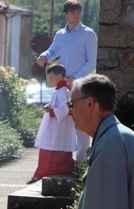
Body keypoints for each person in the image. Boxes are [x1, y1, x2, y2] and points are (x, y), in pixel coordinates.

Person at [69, 74, 134, 209]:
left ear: (90, 103)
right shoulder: (119, 137)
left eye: (71, 104)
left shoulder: (110, 145)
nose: (70, 112)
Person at [36, 0, 98, 165]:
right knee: (62, 121)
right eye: (73, 12)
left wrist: (75, 78)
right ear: (65, 14)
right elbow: (53, 51)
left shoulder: (88, 34)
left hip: (81, 85)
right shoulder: (60, 34)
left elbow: (92, 62)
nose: (76, 14)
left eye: (78, 11)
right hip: (62, 85)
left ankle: (81, 163)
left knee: (81, 123)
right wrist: (44, 56)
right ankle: (64, 163)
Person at [27, 64, 75, 184]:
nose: (50, 80)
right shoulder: (60, 91)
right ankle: (44, 172)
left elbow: (66, 110)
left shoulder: (63, 91)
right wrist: (50, 108)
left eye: (52, 78)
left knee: (49, 149)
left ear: (60, 76)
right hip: (55, 125)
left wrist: (52, 110)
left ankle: (42, 173)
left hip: (59, 126)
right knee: (49, 148)